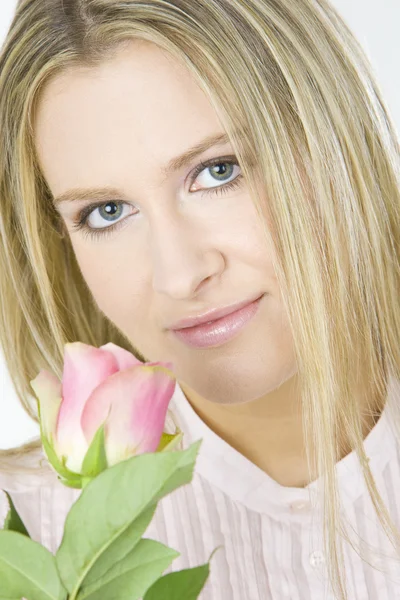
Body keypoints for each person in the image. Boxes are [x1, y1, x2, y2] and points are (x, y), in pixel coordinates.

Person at [0, 0, 399, 598]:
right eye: (107, 212)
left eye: (218, 170)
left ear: (330, 143)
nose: (179, 275)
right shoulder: (28, 541)